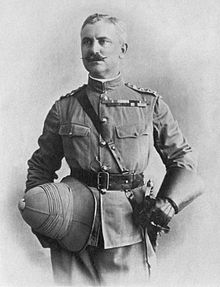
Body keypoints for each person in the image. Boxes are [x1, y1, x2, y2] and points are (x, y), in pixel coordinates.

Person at [25, 13, 203, 286]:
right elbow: (40, 167)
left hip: (127, 230)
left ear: (122, 49)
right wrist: (43, 218)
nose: (93, 49)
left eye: (102, 41)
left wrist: (169, 202)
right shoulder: (64, 108)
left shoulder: (149, 105)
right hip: (72, 231)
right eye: (87, 42)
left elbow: (182, 160)